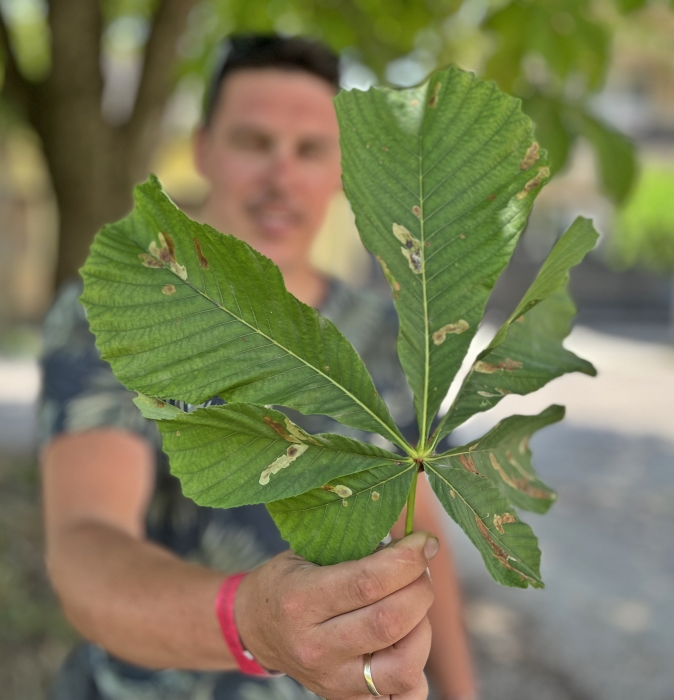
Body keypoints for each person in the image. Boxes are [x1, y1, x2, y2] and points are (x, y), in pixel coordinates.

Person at [39, 34, 479, 700]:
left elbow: (418, 529)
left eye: (310, 150)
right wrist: (248, 622)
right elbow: (86, 544)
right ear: (203, 150)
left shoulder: (392, 336)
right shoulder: (119, 310)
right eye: (253, 142)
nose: (281, 176)